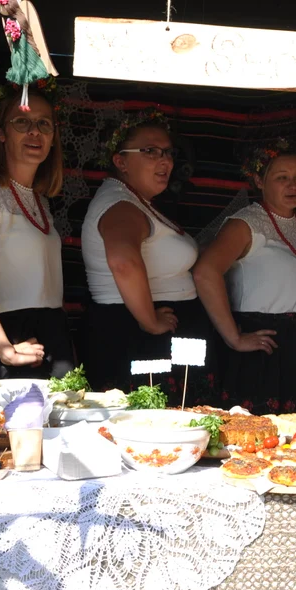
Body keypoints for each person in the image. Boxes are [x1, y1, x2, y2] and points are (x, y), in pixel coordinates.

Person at [193, 138, 296, 413]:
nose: (293, 186)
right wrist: (234, 337)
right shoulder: (245, 224)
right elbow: (205, 272)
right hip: (262, 345)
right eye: (282, 178)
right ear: (259, 180)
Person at [81, 109, 214, 401]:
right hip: (139, 333)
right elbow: (123, 261)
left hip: (159, 328)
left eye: (168, 152)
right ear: (121, 161)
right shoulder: (120, 205)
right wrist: (150, 321)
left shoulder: (135, 201)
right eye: (151, 151)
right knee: (150, 416)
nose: (165, 160)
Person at [0, 81, 74, 397]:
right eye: (22, 122)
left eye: (44, 124)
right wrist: (4, 347)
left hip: (50, 336)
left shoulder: (40, 200)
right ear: (2, 133)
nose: (34, 131)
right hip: (5, 340)